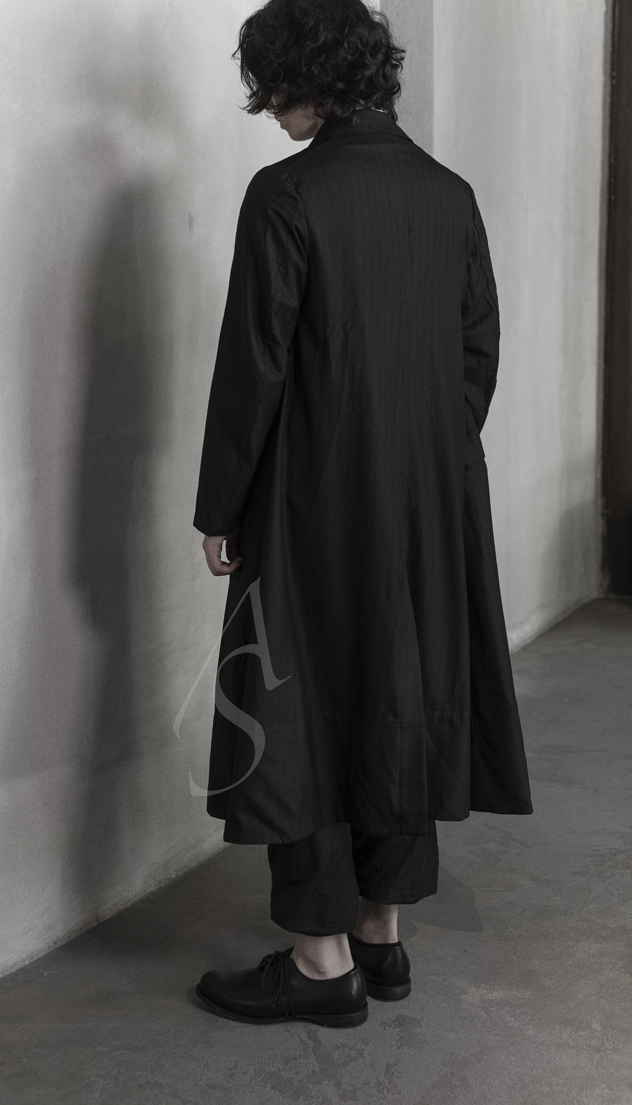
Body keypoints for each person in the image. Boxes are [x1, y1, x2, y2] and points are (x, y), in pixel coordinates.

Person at [192, 0, 533, 1028]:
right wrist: (424, 455)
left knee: (298, 707)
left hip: (311, 499)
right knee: (399, 693)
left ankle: (318, 960)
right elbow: (476, 349)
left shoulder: (287, 195)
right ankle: (381, 935)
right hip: (431, 501)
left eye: (273, 86)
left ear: (309, 78)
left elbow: (253, 367)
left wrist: (221, 503)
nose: (268, 108)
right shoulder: (447, 194)